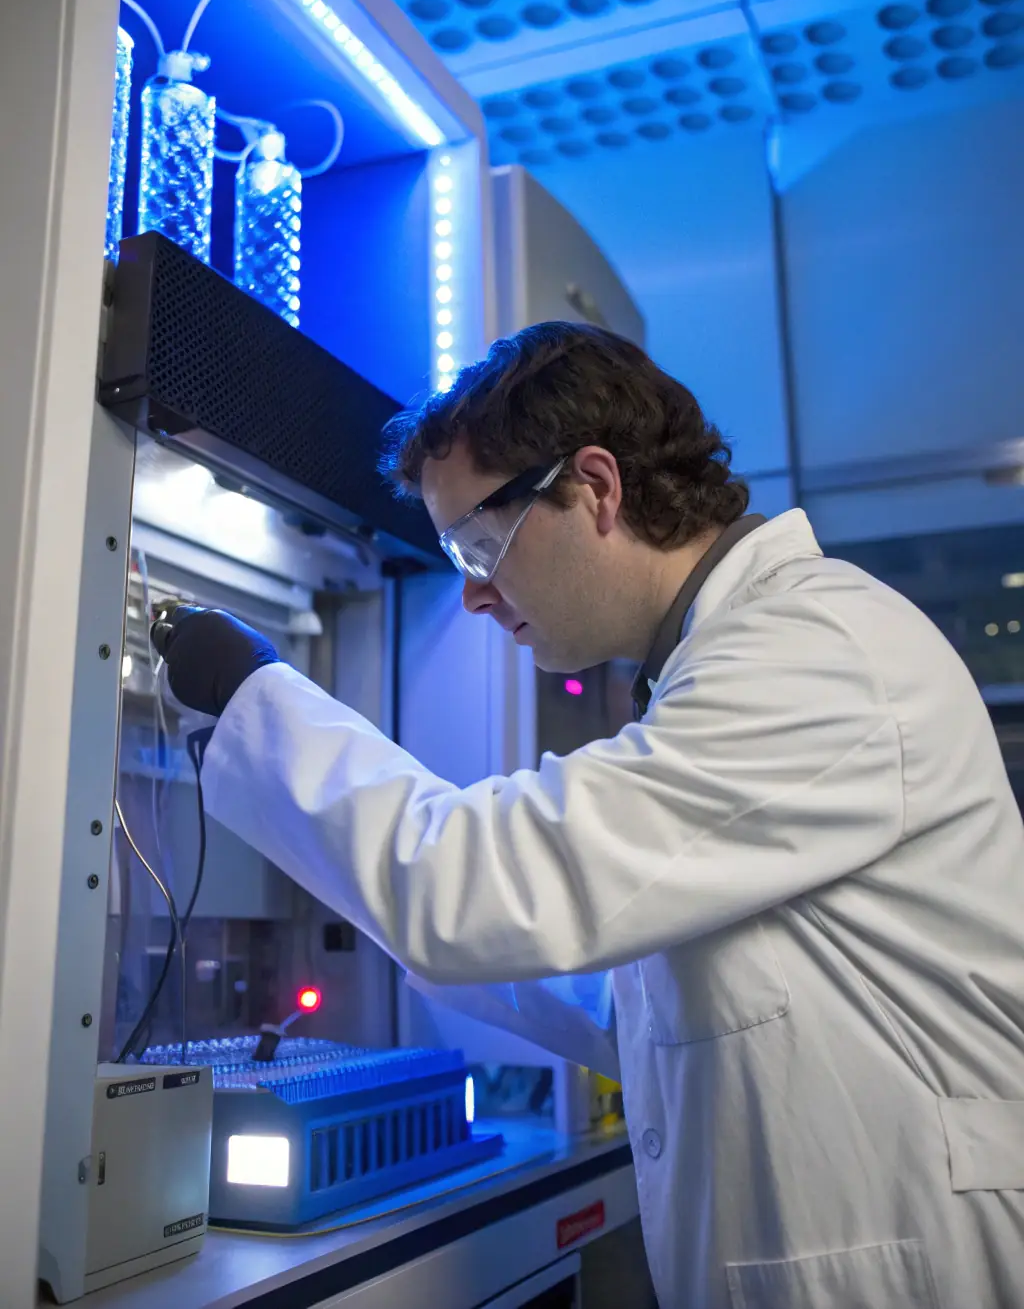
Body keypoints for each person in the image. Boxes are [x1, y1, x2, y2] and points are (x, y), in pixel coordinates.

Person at [160, 323, 1024, 1308]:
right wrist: (396, 900)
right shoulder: (736, 663)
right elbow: (643, 1011)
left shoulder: (813, 649)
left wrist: (253, 697)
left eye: (480, 544)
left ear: (595, 488)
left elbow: (480, 888)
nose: (476, 595)